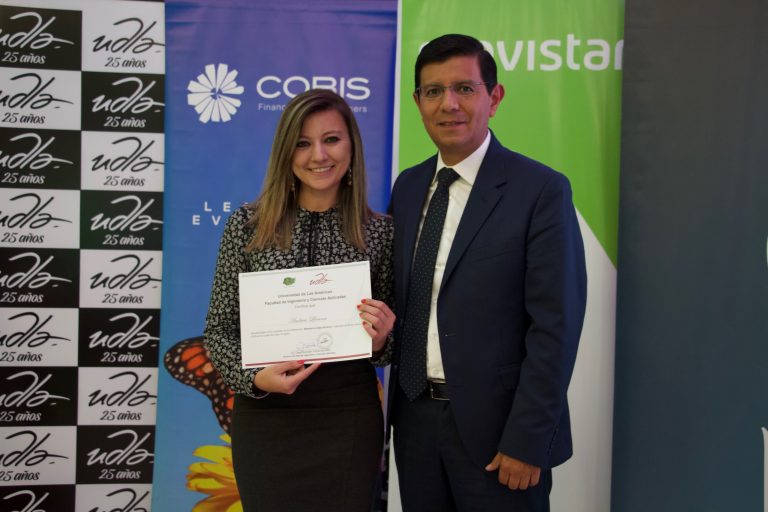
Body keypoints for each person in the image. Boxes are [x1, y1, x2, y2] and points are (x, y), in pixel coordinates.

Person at [387, 34, 587, 511]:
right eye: (433, 91)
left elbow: (555, 326)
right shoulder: (408, 187)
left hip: (501, 437)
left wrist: (527, 439)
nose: (448, 104)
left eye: (464, 88)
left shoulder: (540, 190)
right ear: (417, 102)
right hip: (414, 426)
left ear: (494, 98)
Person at [204, 89, 395, 512]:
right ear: (286, 152)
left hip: (347, 417)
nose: (318, 155)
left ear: (351, 146)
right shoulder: (247, 226)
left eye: (332, 139)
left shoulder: (380, 233)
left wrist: (381, 338)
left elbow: (388, 350)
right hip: (266, 418)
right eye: (303, 143)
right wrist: (255, 379)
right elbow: (218, 331)